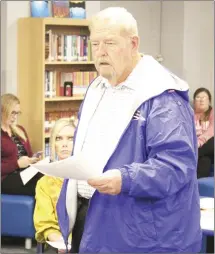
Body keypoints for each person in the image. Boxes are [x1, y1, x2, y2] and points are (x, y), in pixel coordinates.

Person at [56, 7, 202, 253]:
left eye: (110, 43)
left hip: (139, 234)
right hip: (91, 218)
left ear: (134, 44)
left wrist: (125, 179)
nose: (100, 52)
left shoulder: (162, 97)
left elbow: (176, 166)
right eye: (95, 44)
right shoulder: (97, 88)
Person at [33, 118, 76, 252]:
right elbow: (46, 223)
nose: (64, 144)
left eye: (70, 138)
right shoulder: (44, 183)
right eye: (58, 138)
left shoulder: (89, 178)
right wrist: (61, 244)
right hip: (59, 242)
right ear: (53, 144)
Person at [1, 93, 42, 196]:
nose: (15, 117)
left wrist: (34, 159)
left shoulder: (20, 130)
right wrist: (17, 164)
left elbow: (28, 155)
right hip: (6, 178)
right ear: (2, 111)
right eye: (12, 113)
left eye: (17, 113)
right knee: (40, 188)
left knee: (49, 180)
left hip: (25, 172)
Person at [193, 87, 214, 178]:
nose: (201, 100)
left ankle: (192, 154)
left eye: (204, 97)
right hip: (202, 152)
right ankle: (197, 180)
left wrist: (200, 141)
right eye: (198, 97)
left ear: (209, 101)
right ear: (194, 102)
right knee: (205, 160)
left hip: (208, 146)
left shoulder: (213, 113)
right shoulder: (189, 115)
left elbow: (212, 130)